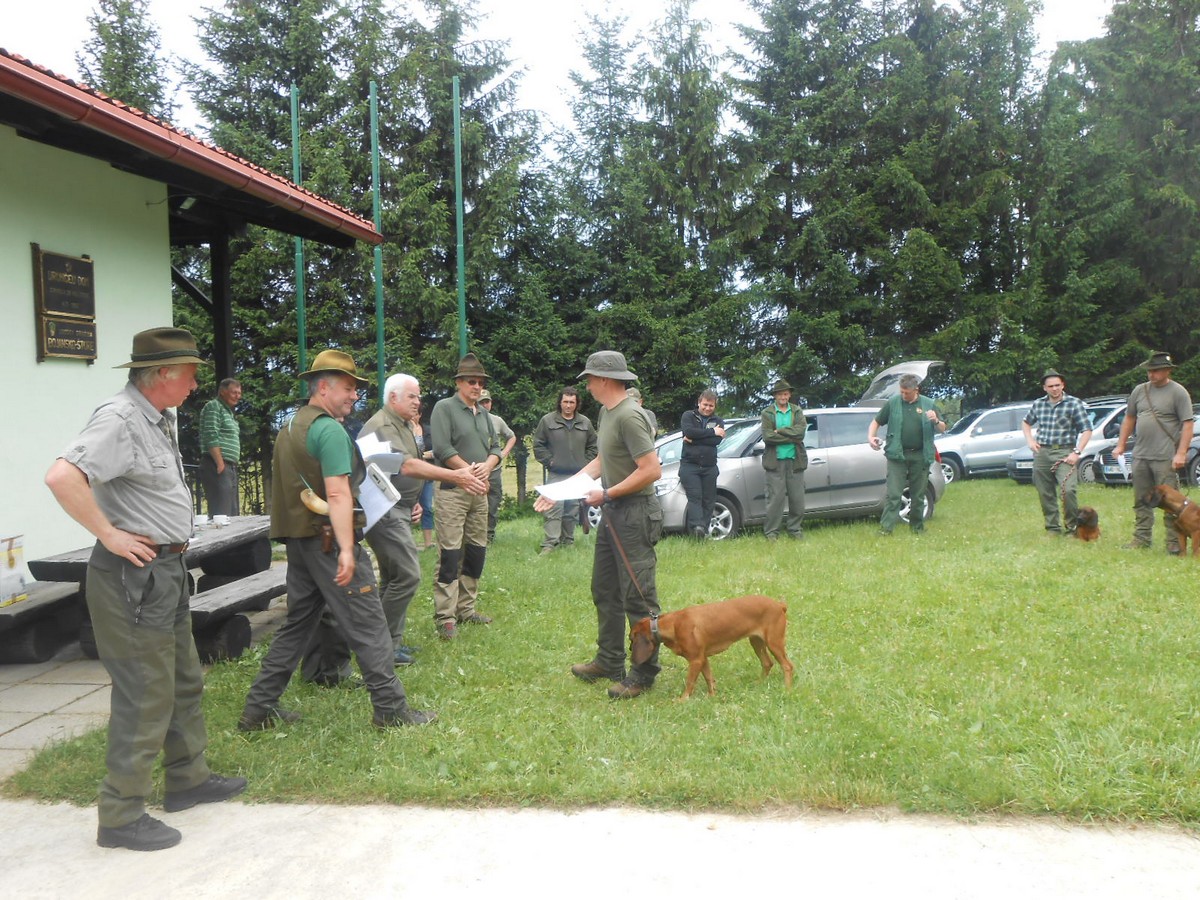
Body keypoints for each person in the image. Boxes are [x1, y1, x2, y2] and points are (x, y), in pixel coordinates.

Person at [44, 327, 246, 852]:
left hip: (166, 571)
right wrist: (109, 534)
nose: (196, 383)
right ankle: (120, 815)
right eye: (190, 373)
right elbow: (62, 477)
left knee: (182, 680)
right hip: (132, 577)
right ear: (162, 374)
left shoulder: (157, 416)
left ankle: (187, 779)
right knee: (144, 692)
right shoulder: (119, 418)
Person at [238, 349, 436, 731]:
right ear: (324, 388)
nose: (355, 396)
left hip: (302, 544)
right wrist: (347, 549)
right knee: (370, 624)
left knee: (297, 625)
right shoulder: (327, 430)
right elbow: (338, 493)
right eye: (348, 388)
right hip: (328, 543)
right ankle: (390, 709)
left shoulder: (291, 426)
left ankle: (258, 709)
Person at [535, 351, 662, 700]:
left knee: (638, 596)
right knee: (604, 589)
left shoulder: (630, 416)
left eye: (590, 379)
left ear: (605, 380)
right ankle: (609, 661)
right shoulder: (608, 413)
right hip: (613, 512)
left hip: (634, 512)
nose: (587, 385)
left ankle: (643, 673)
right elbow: (604, 460)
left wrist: (607, 493)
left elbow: (651, 469)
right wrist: (561, 491)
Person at [362, 373, 488, 665]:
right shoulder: (380, 426)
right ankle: (380, 648)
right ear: (393, 397)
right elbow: (406, 466)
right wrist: (455, 475)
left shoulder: (404, 425)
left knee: (392, 578)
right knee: (407, 575)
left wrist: (414, 500)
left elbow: (393, 468)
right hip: (382, 510)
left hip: (398, 507)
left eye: (418, 396)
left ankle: (388, 644)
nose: (418, 402)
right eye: (412, 396)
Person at [429, 353, 501, 639]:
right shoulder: (444, 408)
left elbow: (496, 449)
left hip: (478, 492)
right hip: (452, 491)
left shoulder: (483, 413)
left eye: (480, 382)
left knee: (475, 551)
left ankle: (466, 609)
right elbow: (442, 449)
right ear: (458, 382)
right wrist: (468, 473)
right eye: (472, 382)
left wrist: (488, 466)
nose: (477, 387)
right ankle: (445, 617)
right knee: (450, 553)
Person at [1114, 351, 1194, 552]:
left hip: (1165, 457)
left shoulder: (1178, 392)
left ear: (1167, 370)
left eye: (1156, 370)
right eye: (1149, 370)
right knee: (1141, 499)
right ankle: (1141, 538)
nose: (1151, 374)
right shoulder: (1139, 391)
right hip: (1140, 455)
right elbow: (1129, 418)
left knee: (1171, 503)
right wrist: (1121, 444)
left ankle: (1173, 542)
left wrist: (1181, 453)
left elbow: (1187, 424)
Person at [867, 373, 947, 534]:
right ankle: (886, 529)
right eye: (901, 392)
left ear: (916, 390)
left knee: (918, 494)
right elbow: (876, 421)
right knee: (893, 494)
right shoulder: (893, 403)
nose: (903, 395)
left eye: (907, 393)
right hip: (897, 455)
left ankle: (917, 528)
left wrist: (936, 421)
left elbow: (943, 428)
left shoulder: (928, 404)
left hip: (920, 456)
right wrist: (871, 437)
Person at [1022, 369, 1092, 535]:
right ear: (1044, 388)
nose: (1054, 389)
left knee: (1068, 490)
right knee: (1045, 492)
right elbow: (1026, 422)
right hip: (1042, 452)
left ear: (1063, 385)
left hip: (1065, 452)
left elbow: (1087, 429)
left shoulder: (1074, 403)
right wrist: (1030, 441)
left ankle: (1072, 528)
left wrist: (1077, 452)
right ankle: (1052, 528)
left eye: (1057, 385)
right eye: (1051, 386)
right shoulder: (1039, 404)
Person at [533, 387, 597, 554]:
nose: (568, 406)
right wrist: (550, 461)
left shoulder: (585, 422)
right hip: (556, 473)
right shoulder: (547, 421)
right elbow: (538, 445)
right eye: (565, 402)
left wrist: (585, 463)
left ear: (577, 404)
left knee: (572, 509)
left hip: (577, 475)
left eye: (572, 402)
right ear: (560, 403)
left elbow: (593, 446)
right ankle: (550, 544)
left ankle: (568, 542)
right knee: (553, 509)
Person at [760, 379, 808, 540]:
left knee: (797, 499)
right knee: (775, 500)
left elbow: (800, 433)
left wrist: (780, 430)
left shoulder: (797, 411)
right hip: (775, 462)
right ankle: (771, 532)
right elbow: (768, 437)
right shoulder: (767, 413)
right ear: (775, 395)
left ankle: (795, 530)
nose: (783, 397)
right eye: (780, 394)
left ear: (789, 395)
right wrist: (791, 436)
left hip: (795, 461)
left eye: (786, 394)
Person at [679, 389, 726, 537]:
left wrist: (694, 439)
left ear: (715, 406)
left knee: (709, 500)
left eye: (711, 405)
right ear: (699, 403)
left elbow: (716, 441)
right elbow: (689, 432)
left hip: (709, 467)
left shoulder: (718, 421)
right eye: (705, 404)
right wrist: (712, 432)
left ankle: (703, 531)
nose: (707, 408)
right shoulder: (688, 416)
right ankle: (697, 527)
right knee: (695, 497)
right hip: (690, 466)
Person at [198, 377, 242, 516]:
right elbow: (210, 434)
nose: (237, 396)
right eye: (234, 392)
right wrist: (220, 463)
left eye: (239, 393)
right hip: (216, 464)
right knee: (221, 513)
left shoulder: (229, 412)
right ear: (222, 391)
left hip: (229, 467)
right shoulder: (214, 406)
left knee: (231, 513)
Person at [479, 389, 517, 543]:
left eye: (487, 401)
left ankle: (489, 536)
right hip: (475, 469)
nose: (484, 405)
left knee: (493, 503)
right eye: (481, 402)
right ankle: (475, 536)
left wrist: (503, 453)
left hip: (493, 470)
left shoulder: (497, 420)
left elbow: (511, 436)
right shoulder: (470, 419)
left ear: (490, 403)